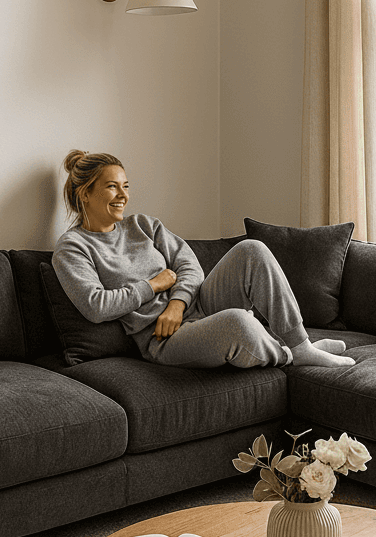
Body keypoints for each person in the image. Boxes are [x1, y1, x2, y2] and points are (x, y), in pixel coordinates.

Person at [52, 150, 355, 372]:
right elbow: (96, 306)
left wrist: (177, 303)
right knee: (237, 322)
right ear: (85, 193)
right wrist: (153, 285)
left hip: (199, 304)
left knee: (252, 250)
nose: (123, 195)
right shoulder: (72, 247)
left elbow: (189, 265)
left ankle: (302, 346)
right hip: (164, 339)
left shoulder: (143, 225)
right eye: (111, 186)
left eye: (126, 186)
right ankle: (289, 354)